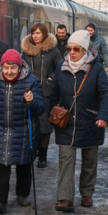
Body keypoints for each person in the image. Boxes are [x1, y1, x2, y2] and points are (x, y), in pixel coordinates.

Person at [50, 30, 108, 212]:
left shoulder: (96, 68)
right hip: (66, 122)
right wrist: (51, 114)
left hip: (90, 120)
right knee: (66, 160)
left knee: (89, 161)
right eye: (69, 48)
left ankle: (87, 193)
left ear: (85, 50)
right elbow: (54, 93)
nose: (71, 52)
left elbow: (107, 94)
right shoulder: (61, 67)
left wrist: (103, 116)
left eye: (76, 49)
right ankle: (65, 198)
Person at [0, 50, 45, 213]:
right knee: (3, 165)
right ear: (2, 67)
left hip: (25, 129)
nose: (9, 72)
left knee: (24, 164)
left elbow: (41, 108)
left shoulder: (32, 81)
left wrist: (32, 100)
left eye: (13, 68)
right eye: (6, 68)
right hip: (2, 129)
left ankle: (22, 195)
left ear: (19, 68)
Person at [21, 23, 63, 168]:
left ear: (44, 34)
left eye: (38, 33)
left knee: (44, 126)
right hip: (30, 92)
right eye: (33, 33)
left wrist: (51, 77)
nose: (35, 36)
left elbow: (60, 67)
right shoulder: (26, 51)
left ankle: (43, 155)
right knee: (32, 124)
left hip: (46, 93)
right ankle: (35, 151)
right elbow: (21, 68)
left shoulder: (53, 50)